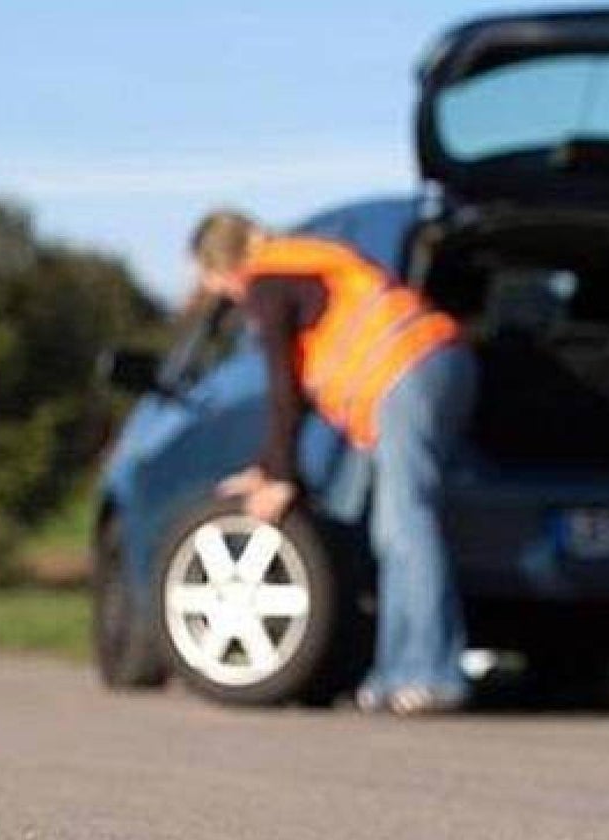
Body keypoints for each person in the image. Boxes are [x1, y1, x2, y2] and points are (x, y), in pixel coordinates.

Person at [189, 209, 477, 715]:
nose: (224, 297)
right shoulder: (298, 265)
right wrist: (268, 467)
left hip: (406, 369)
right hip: (430, 365)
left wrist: (279, 476)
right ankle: (392, 675)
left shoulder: (267, 282)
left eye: (213, 283)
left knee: (405, 522)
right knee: (376, 522)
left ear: (221, 267)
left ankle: (433, 674)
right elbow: (297, 394)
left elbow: (283, 385)